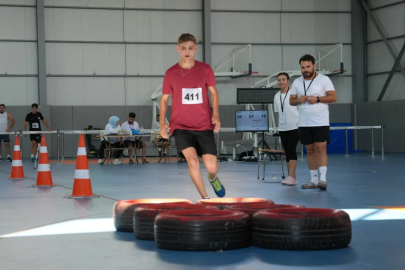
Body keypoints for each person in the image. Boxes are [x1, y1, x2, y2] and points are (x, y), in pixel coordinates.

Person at [159, 33, 225, 199]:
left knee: (211, 167)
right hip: (181, 126)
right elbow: (164, 99)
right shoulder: (171, 73)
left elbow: (214, 92)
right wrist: (162, 123)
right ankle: (205, 198)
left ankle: (213, 178)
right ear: (178, 49)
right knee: (193, 161)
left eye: (190, 48)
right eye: (183, 49)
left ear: (195, 49)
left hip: (204, 126)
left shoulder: (205, 69)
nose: (187, 52)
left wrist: (215, 114)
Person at [289, 54, 337, 190]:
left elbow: (333, 97)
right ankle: (313, 179)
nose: (306, 70)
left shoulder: (324, 79)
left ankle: (323, 179)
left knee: (321, 148)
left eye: (308, 66)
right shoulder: (297, 82)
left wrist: (317, 99)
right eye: (303, 67)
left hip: (320, 122)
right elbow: (291, 101)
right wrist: (299, 99)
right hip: (304, 123)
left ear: (314, 66)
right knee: (309, 150)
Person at [273, 73, 299, 186]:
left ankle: (292, 176)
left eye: (283, 79)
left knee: (291, 149)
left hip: (295, 126)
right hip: (283, 128)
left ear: (288, 81)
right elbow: (279, 112)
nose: (281, 82)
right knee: (287, 151)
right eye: (279, 80)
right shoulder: (276, 96)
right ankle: (292, 177)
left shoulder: (294, 93)